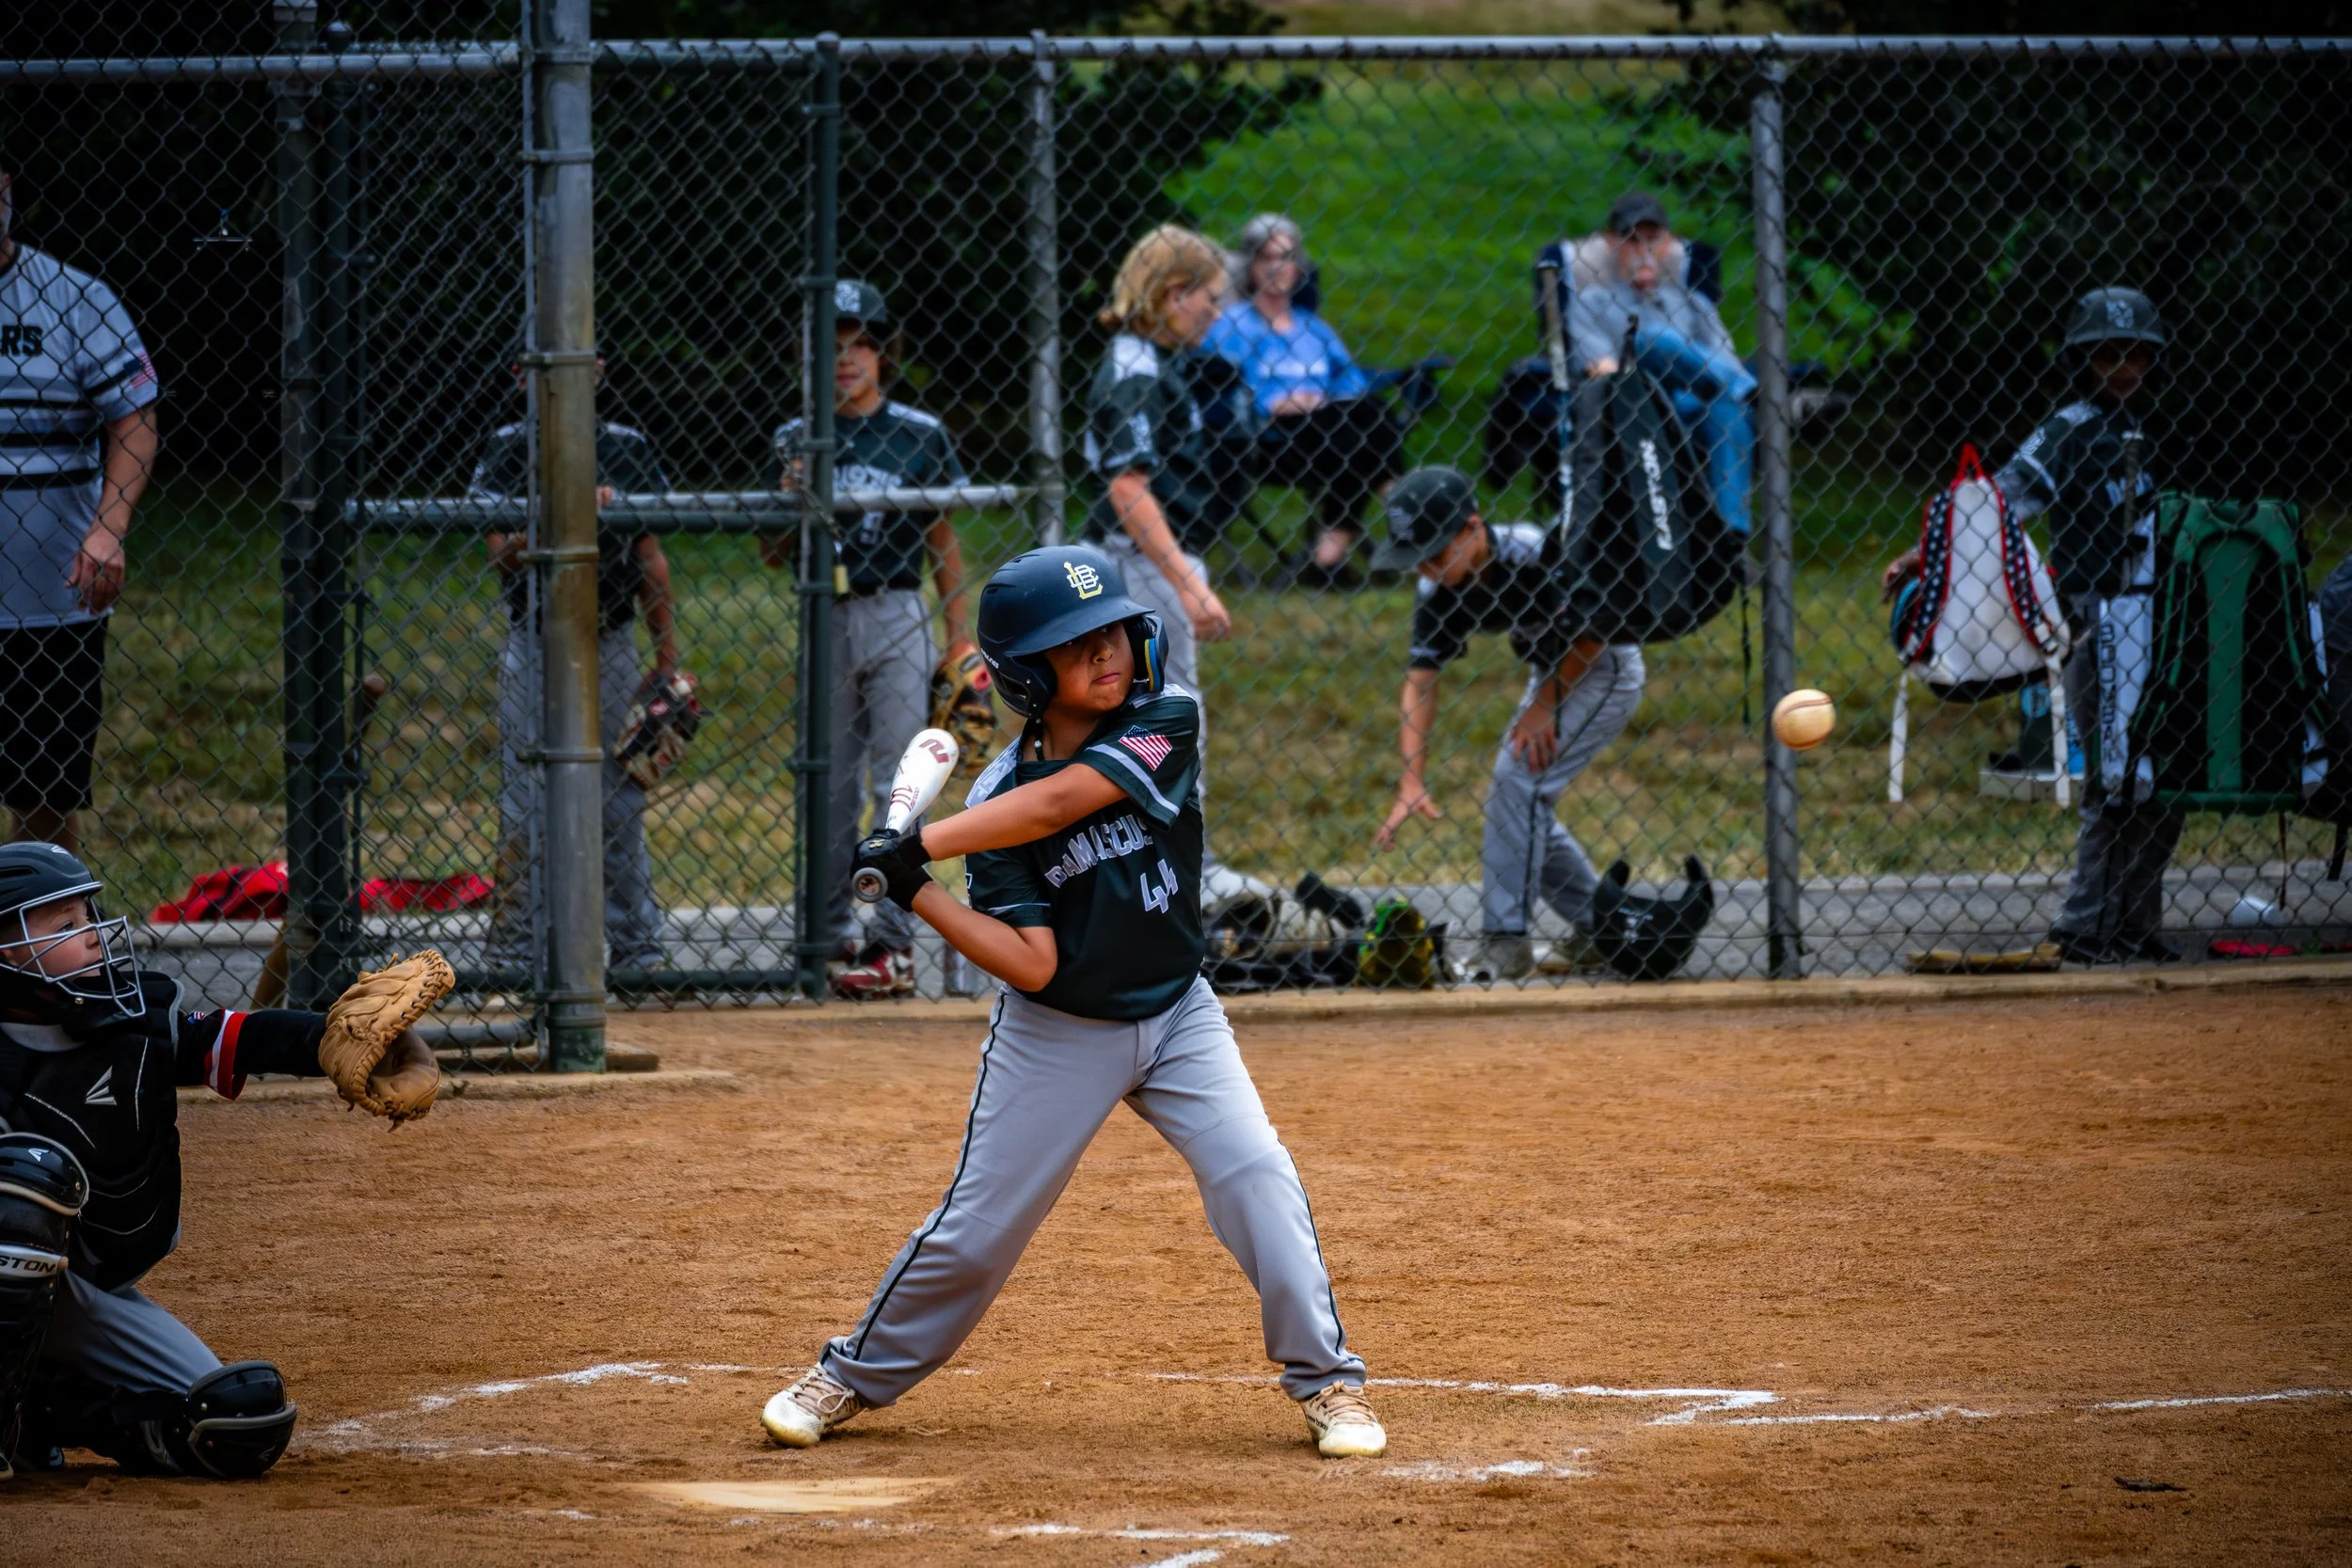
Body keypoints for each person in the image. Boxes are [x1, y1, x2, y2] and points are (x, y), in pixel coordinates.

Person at [758, 545, 1384, 1461]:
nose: (1105, 652)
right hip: (1058, 1028)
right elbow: (1032, 962)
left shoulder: (1166, 717)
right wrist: (914, 890)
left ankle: (1329, 1380)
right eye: (1074, 643)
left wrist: (917, 844)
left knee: (1256, 1174)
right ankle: (849, 1373)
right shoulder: (993, 802)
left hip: (1177, 1010)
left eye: (1113, 632)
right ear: (1026, 672)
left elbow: (1064, 802)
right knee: (978, 1231)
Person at [0, 841, 438, 1480]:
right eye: (63, 924)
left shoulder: (130, 1020)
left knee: (232, 1420)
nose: (91, 933)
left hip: (78, 1286)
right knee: (26, 1177)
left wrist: (323, 1039)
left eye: (87, 915)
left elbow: (237, 1036)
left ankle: (46, 1415)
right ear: (9, 953)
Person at [1882, 288, 2178, 964]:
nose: (2123, 368)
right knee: (2113, 779)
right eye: (2106, 354)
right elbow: (2001, 500)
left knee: (2166, 777)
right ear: (2081, 360)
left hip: (2166, 615)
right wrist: (1924, 554)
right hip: (2097, 619)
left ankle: (2137, 924)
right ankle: (2084, 926)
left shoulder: (2163, 425)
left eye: (2136, 354)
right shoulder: (2071, 427)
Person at [764, 280, 975, 1000]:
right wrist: (789, 498)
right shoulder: (797, 435)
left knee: (899, 782)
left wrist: (958, 635)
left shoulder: (918, 432)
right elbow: (771, 552)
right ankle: (826, 936)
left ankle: (892, 943)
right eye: (831, 347)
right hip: (824, 614)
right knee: (827, 783)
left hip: (896, 610)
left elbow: (942, 537)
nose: (847, 358)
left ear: (883, 353)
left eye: (860, 344)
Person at [1372, 467, 1645, 981]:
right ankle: (1602, 926)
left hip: (1605, 666)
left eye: (1435, 553)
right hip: (1552, 673)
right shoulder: (1437, 588)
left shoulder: (1536, 553)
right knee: (1516, 801)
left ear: (1473, 528)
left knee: (1515, 783)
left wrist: (1544, 707)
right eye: (1416, 559)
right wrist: (1411, 779)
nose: (1426, 569)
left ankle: (1506, 941)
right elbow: (1421, 683)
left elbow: (1596, 633)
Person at [469, 355, 676, 974]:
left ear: (597, 372)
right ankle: (515, 953)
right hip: (534, 640)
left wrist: (666, 660)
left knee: (619, 798)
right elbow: (501, 555)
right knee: (525, 801)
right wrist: (559, 516)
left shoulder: (625, 446)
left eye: (574, 366)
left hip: (609, 636)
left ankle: (637, 949)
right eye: (539, 369)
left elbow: (650, 559)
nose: (557, 383)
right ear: (520, 377)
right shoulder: (508, 448)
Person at [0, 154, 161, 854]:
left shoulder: (75, 298)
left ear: (6, 190)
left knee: (42, 795)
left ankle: (41, 922)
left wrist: (109, 528)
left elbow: (136, 419)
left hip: (50, 607)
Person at [1202, 214, 1405, 588]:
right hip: (1270, 436)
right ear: (1250, 266)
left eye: (1287, 257)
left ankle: (1327, 558)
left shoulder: (1313, 328)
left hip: (1331, 428)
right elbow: (1216, 386)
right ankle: (1400, 504)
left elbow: (1351, 382)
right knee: (1363, 435)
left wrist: (1320, 398)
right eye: (1266, 257)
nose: (1277, 267)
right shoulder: (1231, 325)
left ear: (1299, 267)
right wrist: (1271, 402)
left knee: (1365, 418)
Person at [1548, 191, 1753, 538]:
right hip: (1631, 401)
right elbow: (1604, 370)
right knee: (1653, 340)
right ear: (1612, 243)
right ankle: (1756, 394)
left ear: (1668, 244)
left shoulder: (1692, 302)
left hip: (1691, 404)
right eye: (1632, 239)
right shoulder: (1590, 302)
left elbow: (1726, 358)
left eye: (1652, 239)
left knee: (1727, 409)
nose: (1643, 249)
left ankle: (1731, 536)